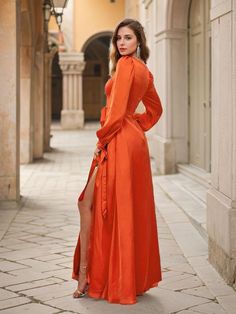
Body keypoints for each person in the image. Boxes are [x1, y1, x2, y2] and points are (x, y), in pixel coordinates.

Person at [72, 18, 163, 305]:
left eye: (128, 38)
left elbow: (114, 113)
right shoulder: (144, 71)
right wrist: (136, 124)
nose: (122, 43)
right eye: (118, 38)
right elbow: (155, 110)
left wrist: (103, 139)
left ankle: (90, 277)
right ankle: (120, 278)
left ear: (138, 41)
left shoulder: (126, 66)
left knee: (94, 204)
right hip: (132, 141)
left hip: (117, 141)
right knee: (118, 207)